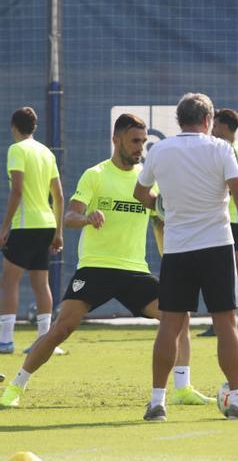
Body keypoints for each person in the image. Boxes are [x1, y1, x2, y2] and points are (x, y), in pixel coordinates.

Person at [0, 114, 213, 408]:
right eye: (135, 141)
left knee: (179, 316)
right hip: (96, 268)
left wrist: (173, 259)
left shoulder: (148, 181)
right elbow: (70, 216)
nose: (140, 147)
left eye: (143, 141)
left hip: (135, 271)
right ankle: (15, 387)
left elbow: (160, 224)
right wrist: (87, 217)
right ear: (116, 140)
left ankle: (182, 387)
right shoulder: (96, 175)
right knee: (62, 328)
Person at [134, 93, 238, 421]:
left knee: (171, 326)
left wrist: (163, 206)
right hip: (217, 247)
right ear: (208, 120)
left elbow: (140, 193)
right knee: (226, 323)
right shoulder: (222, 148)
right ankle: (236, 399)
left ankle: (156, 402)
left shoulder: (159, 150)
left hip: (177, 249)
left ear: (179, 120)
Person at [0, 107, 64, 355]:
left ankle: (5, 341)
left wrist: (4, 227)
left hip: (25, 226)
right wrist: (58, 232)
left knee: (9, 281)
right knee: (41, 282)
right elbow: (58, 195)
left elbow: (16, 190)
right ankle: (45, 341)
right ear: (34, 127)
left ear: (13, 126)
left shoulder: (16, 150)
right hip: (47, 225)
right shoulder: (46, 152)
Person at [199, 108, 238, 337]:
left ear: (224, 126)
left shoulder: (233, 151)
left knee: (234, 272)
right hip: (233, 219)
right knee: (232, 272)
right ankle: (237, 323)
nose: (212, 128)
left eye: (216, 124)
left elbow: (235, 190)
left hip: (230, 219)